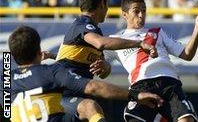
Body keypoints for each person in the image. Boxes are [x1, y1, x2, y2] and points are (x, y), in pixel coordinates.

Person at [9, 26, 163, 122]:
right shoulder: (51, 72)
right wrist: (136, 95)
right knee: (90, 107)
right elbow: (94, 87)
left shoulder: (6, 80)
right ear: (38, 51)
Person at [104, 0, 198, 121]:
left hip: (169, 84)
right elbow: (102, 64)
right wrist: (103, 66)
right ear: (124, 14)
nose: (141, 15)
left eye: (144, 11)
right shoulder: (115, 40)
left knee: (186, 120)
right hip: (142, 85)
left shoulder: (157, 32)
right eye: (136, 11)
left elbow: (187, 54)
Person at [55, 0, 157, 120]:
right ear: (102, 4)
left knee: (93, 108)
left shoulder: (93, 30)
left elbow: (104, 72)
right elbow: (102, 43)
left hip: (77, 95)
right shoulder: (82, 25)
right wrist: (138, 43)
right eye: (107, 4)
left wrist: (104, 67)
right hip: (62, 96)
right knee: (90, 107)